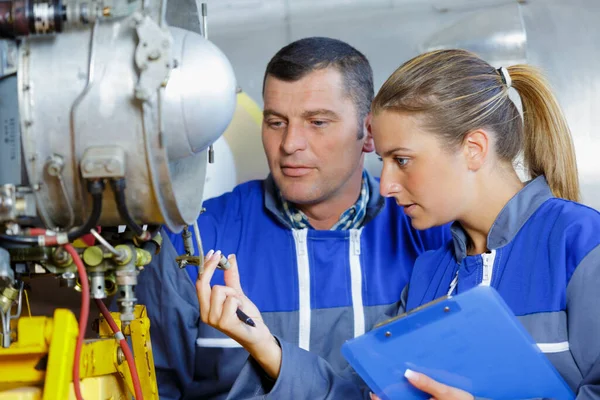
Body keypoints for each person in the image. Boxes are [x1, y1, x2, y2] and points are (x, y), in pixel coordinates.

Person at [197, 48, 600, 399]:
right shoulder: (431, 273)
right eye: (384, 162)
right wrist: (262, 343)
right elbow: (356, 392)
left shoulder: (582, 247)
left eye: (402, 161)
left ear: (474, 149)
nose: (386, 186)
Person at [135, 37, 450, 400]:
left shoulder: (431, 234)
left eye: (317, 122)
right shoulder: (193, 240)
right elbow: (148, 388)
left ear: (368, 133)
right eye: (276, 122)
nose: (290, 144)